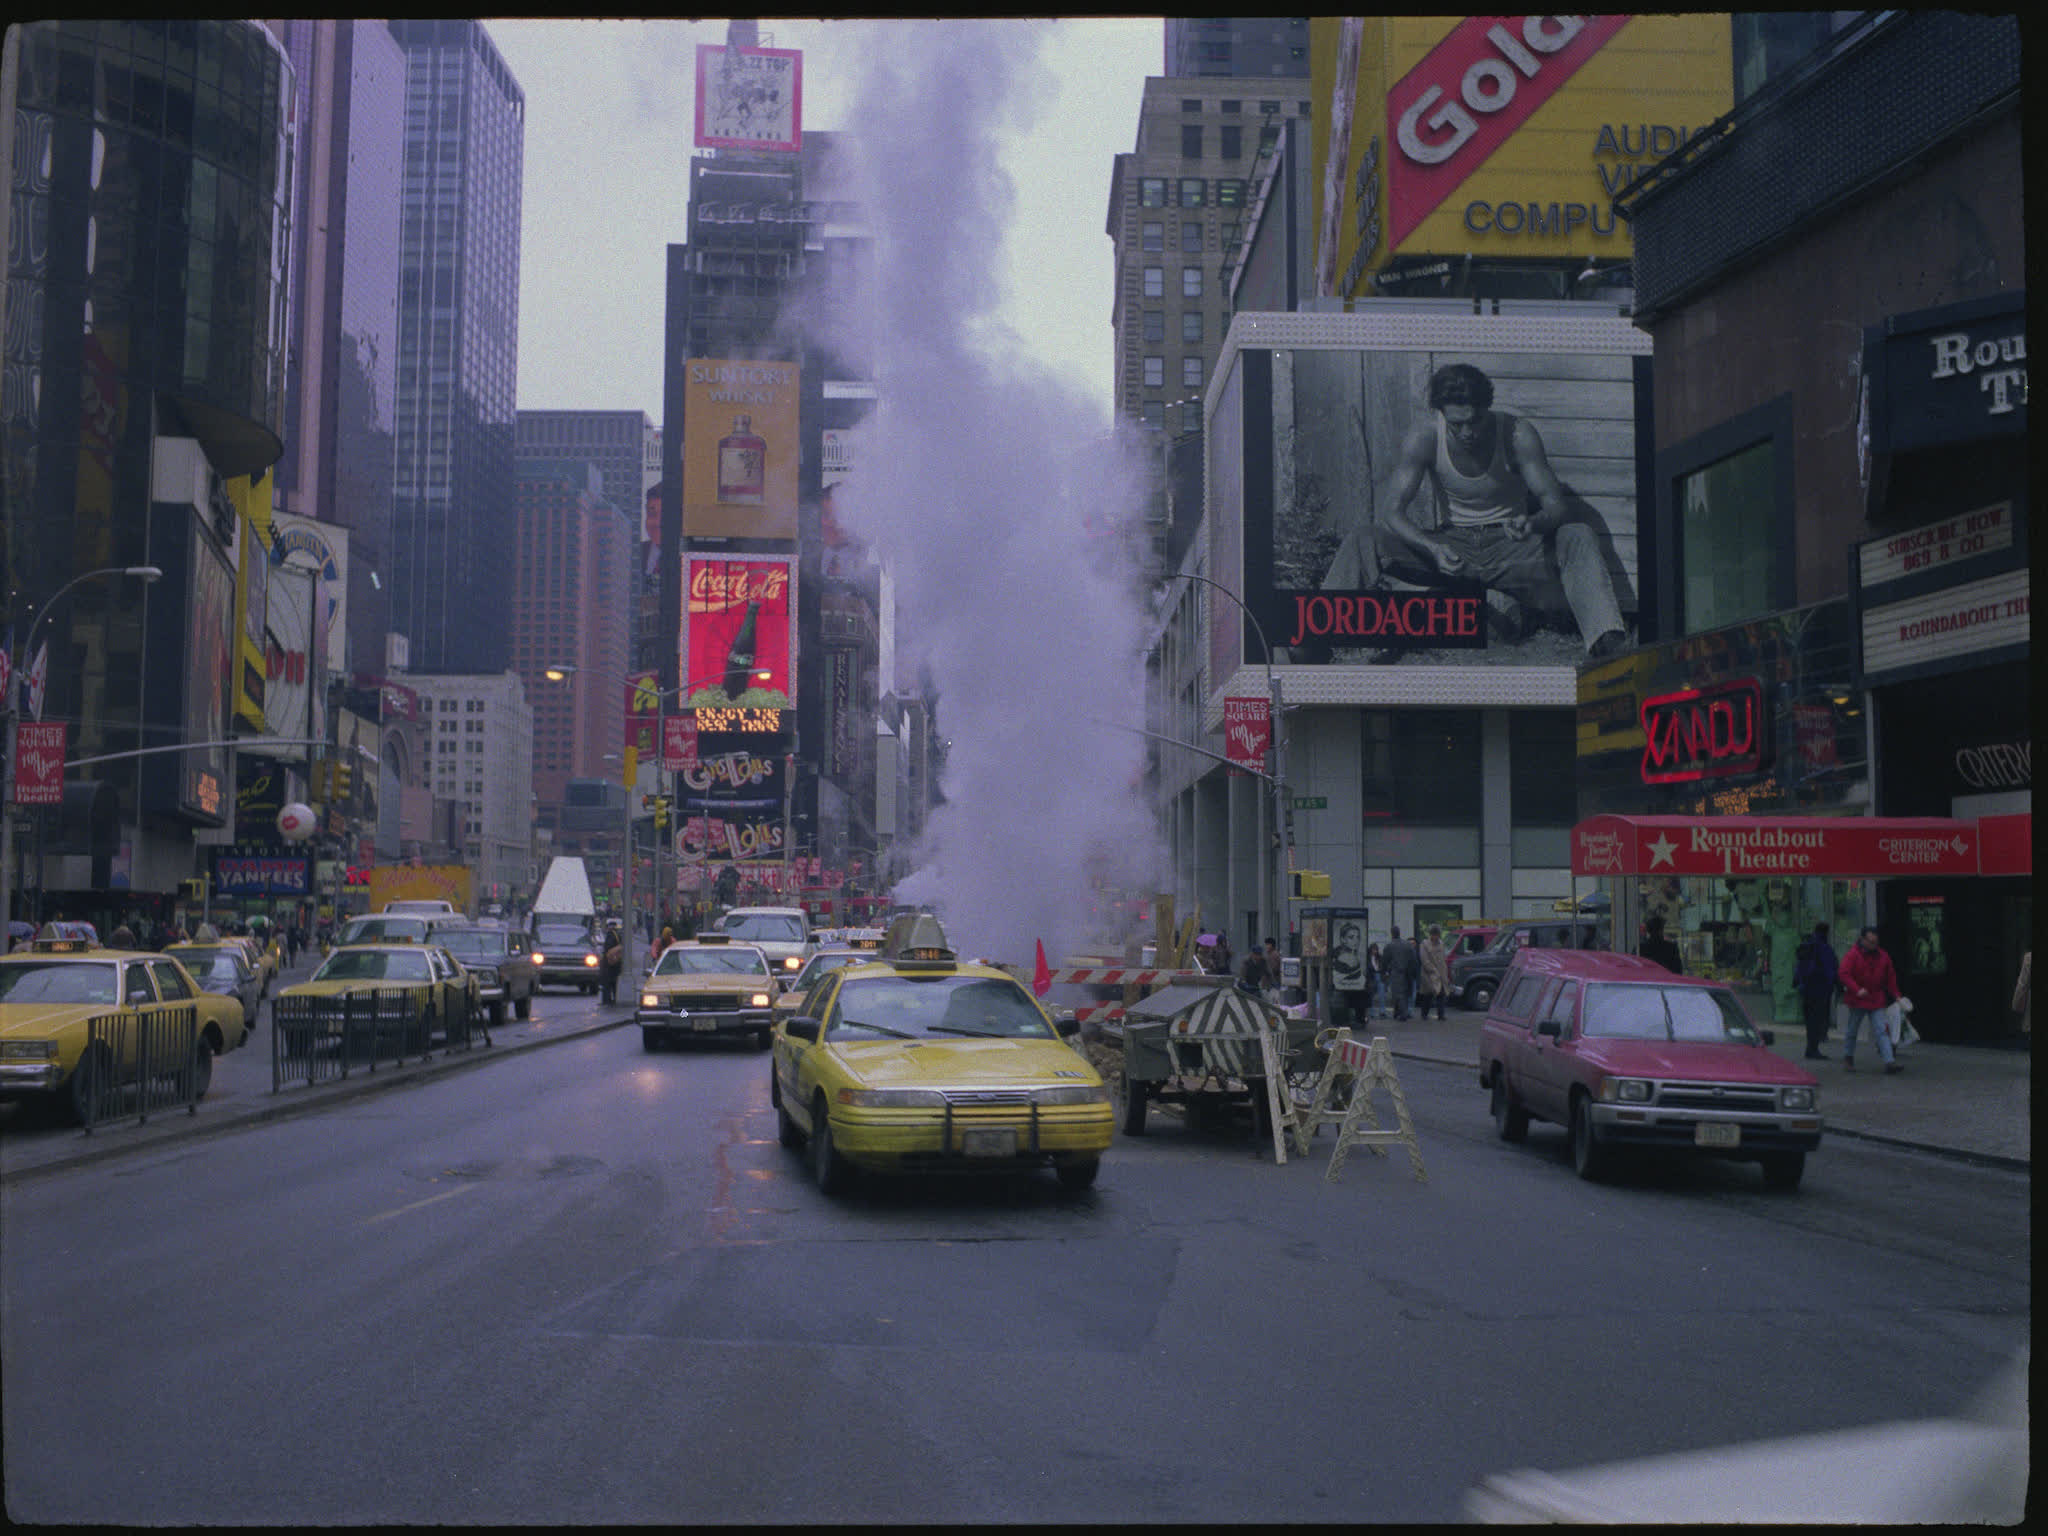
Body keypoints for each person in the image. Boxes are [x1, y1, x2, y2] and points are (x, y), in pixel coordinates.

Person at [1321, 361, 1629, 661]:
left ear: (1487, 408)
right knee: (1364, 538)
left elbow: (1556, 506)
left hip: (1511, 548)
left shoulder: (1517, 435)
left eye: (1475, 420)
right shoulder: (1425, 437)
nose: (1468, 432)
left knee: (1577, 534)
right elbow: (1392, 512)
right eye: (1457, 424)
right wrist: (1432, 548)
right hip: (1453, 550)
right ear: (1442, 413)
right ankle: (1312, 637)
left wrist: (1533, 523)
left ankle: (1608, 647)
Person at [1837, 925, 1903, 1074]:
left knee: (1881, 1030)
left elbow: (1890, 977)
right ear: (1862, 939)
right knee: (1853, 1030)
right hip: (1858, 999)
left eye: (1875, 942)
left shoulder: (1883, 956)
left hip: (1875, 998)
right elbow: (1843, 974)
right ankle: (1848, 1057)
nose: (1873, 945)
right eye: (1871, 942)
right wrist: (1857, 989)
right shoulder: (1853, 955)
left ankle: (1889, 1061)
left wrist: (1896, 995)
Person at [1792, 922, 1840, 1060]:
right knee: (1817, 1019)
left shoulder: (1807, 945)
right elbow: (1830, 969)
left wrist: (1797, 983)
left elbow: (1799, 966)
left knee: (1810, 1020)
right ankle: (1813, 1049)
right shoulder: (1824, 947)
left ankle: (1810, 1048)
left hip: (1806, 989)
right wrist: (1836, 985)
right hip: (1820, 989)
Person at [1332, 922, 1369, 1022]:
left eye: (1358, 937)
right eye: (1351, 937)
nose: (1356, 941)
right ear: (1343, 939)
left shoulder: (1357, 956)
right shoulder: (1344, 957)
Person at [1382, 925, 1417, 1021]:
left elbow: (1384, 960)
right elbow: (1414, 959)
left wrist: (1383, 972)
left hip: (1396, 972)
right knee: (1405, 993)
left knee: (1398, 993)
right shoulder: (1408, 944)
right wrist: (1413, 972)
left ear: (1392, 933)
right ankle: (1397, 1012)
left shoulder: (1390, 945)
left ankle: (1403, 1014)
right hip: (1408, 972)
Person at [1418, 925, 1450, 1021]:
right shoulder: (1424, 944)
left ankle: (1441, 1015)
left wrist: (1445, 973)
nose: (1436, 937)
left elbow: (1443, 959)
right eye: (1434, 935)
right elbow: (1424, 960)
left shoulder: (1441, 944)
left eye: (1437, 935)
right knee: (1428, 995)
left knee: (1441, 994)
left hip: (1441, 974)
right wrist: (1433, 970)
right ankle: (1424, 1014)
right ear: (1431, 935)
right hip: (1429, 974)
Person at [599, 922, 624, 1005]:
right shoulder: (618, 935)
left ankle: (606, 1000)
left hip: (610, 963)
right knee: (614, 982)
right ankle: (615, 999)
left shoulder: (610, 935)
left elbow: (608, 948)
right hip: (616, 962)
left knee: (607, 982)